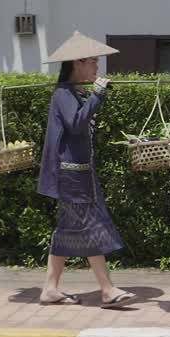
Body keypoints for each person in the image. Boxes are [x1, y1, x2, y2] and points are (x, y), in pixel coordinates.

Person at [37, 31, 139, 309]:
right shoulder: (63, 94)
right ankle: (107, 289)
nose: (97, 67)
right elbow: (77, 125)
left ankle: (50, 289)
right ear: (77, 63)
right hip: (71, 175)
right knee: (91, 226)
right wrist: (97, 97)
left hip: (80, 173)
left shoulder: (76, 94)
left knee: (67, 231)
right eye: (93, 62)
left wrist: (93, 96)